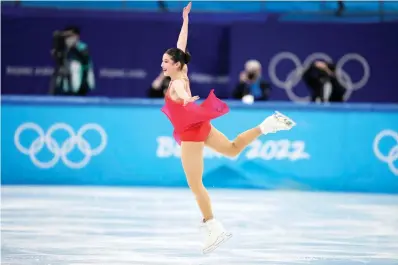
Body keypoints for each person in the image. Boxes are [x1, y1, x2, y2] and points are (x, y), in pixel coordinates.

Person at [160, 2, 296, 254]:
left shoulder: (177, 82)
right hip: (201, 125)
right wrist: (185, 20)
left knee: (195, 184)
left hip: (191, 132)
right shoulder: (183, 70)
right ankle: (267, 126)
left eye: (166, 61)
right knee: (233, 149)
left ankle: (213, 226)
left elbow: (179, 90)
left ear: (176, 65)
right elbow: (182, 45)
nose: (163, 65)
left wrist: (186, 99)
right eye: (163, 61)